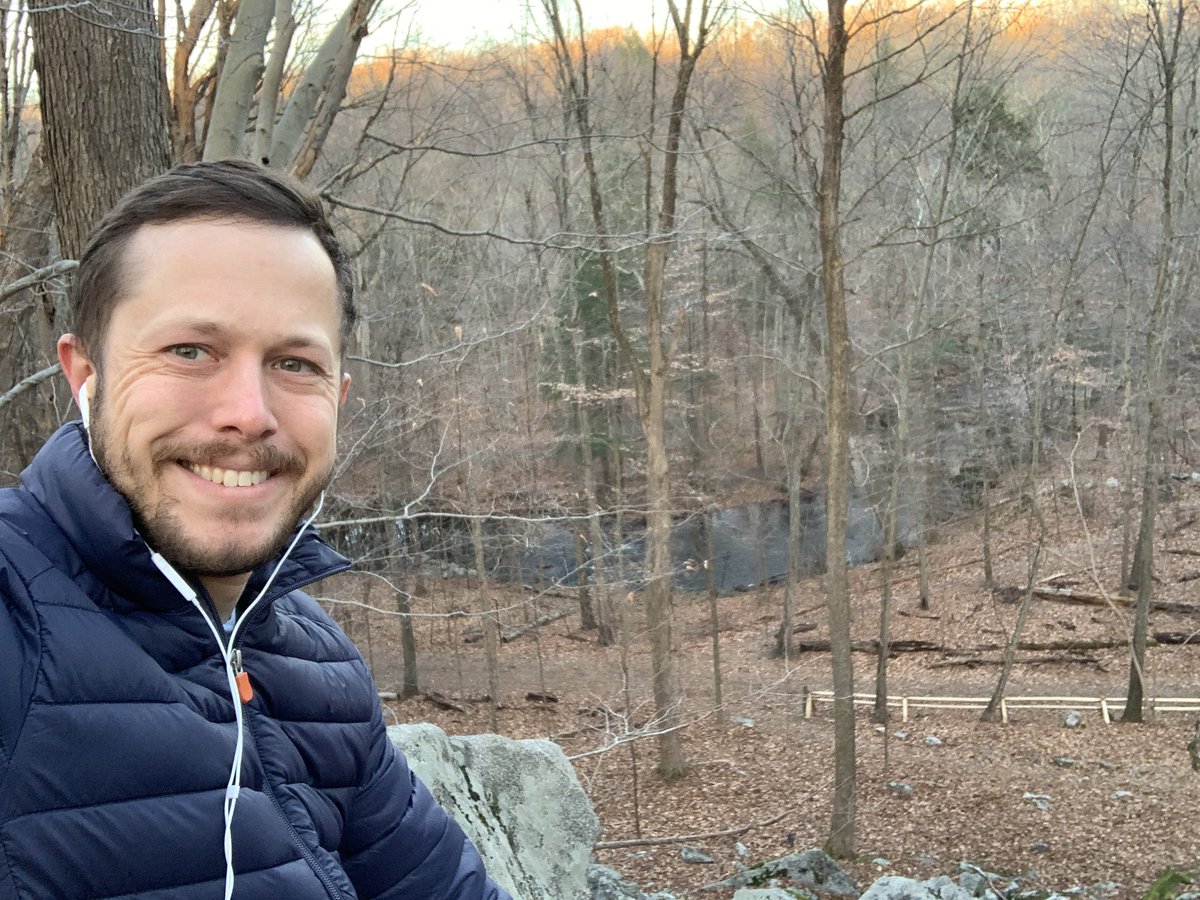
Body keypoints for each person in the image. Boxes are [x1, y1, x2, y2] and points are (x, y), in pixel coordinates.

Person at [0, 160, 511, 899]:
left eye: (293, 363)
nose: (249, 410)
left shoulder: (316, 666)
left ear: (338, 396)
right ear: (86, 373)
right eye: (190, 351)